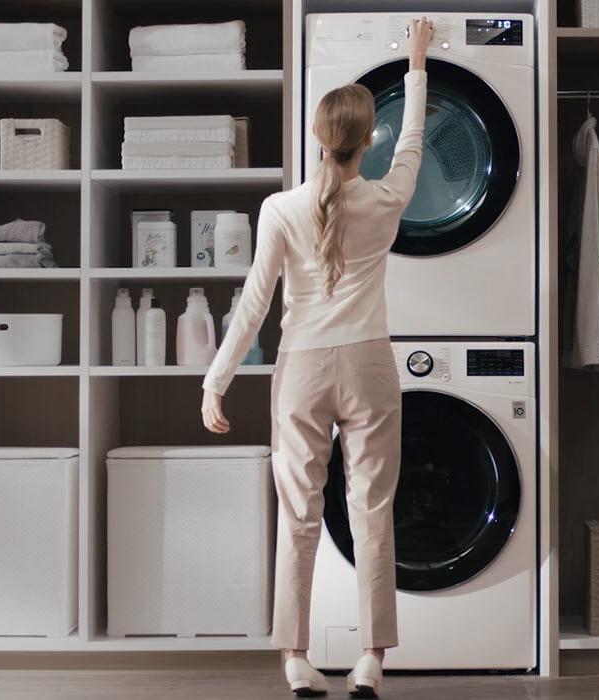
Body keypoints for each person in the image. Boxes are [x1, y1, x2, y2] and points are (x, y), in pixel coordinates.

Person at [201, 17, 435, 699]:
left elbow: (252, 305)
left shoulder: (278, 210)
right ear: (367, 141)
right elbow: (415, 142)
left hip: (300, 370)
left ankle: (297, 661)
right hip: (369, 368)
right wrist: (416, 63)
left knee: (299, 518)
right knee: (373, 513)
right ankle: (370, 659)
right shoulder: (388, 198)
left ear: (315, 138)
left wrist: (216, 383)